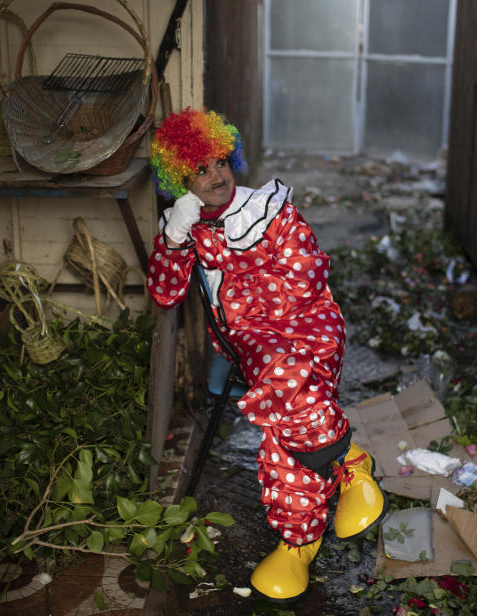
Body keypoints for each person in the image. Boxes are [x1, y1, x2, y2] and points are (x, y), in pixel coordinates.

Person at [146, 107, 386, 602]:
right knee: (284, 391)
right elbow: (165, 294)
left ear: (232, 158)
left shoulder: (268, 208)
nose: (215, 176)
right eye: (200, 170)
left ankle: (298, 544)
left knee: (285, 391)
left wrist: (235, 280)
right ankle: (348, 464)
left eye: (220, 163)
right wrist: (174, 238)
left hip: (311, 325)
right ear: (181, 179)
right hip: (256, 345)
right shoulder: (185, 225)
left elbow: (305, 280)